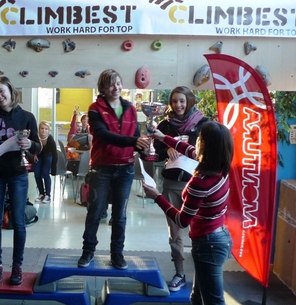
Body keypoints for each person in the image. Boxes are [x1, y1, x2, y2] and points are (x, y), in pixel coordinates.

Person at [143, 121, 234, 305]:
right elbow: (189, 150)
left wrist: (157, 196)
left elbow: (182, 221)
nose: (197, 140)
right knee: (197, 298)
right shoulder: (221, 166)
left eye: (200, 138)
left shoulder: (200, 183)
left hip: (209, 245)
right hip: (218, 238)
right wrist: (163, 138)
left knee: (213, 301)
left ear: (206, 146)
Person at [77, 69, 149, 270]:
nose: (115, 87)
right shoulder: (94, 109)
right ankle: (87, 252)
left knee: (120, 215)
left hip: (125, 169)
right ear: (102, 88)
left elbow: (134, 136)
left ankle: (117, 254)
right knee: (95, 212)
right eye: (110, 84)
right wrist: (133, 141)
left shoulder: (130, 108)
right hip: (101, 169)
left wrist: (144, 147)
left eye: (118, 83)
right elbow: (104, 135)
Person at [0, 76, 41, 286]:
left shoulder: (27, 117)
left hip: (18, 174)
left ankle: (18, 267)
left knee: (18, 222)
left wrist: (29, 143)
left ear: (11, 91)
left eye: (1, 91)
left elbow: (38, 147)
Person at [153, 86, 209, 291]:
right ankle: (179, 273)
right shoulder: (163, 125)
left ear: (189, 101)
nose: (178, 105)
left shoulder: (204, 124)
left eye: (182, 101)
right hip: (171, 184)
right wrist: (166, 149)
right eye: (174, 101)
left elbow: (209, 151)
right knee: (175, 232)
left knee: (198, 232)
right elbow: (155, 154)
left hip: (196, 184)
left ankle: (202, 276)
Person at [34, 121, 57, 204]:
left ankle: (47, 195)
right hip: (39, 155)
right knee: (37, 174)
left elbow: (55, 154)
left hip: (48, 155)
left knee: (45, 174)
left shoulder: (50, 139)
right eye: (42, 128)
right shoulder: (36, 137)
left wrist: (54, 169)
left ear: (48, 130)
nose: (44, 131)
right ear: (39, 129)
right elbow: (31, 147)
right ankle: (41, 193)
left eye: (46, 129)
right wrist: (34, 155)